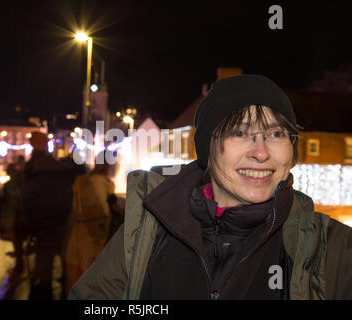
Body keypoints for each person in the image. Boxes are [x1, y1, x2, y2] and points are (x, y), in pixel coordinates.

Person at [69, 74, 352, 300]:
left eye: (277, 133)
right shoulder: (148, 229)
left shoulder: (331, 248)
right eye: (239, 132)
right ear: (208, 147)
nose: (261, 152)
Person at [22, 132, 82, 300]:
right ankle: (65, 288)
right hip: (61, 217)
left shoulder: (33, 167)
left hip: (41, 219)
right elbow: (79, 170)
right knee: (64, 253)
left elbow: (27, 196)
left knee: (45, 255)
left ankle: (43, 289)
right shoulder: (58, 167)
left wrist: (29, 220)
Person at [63, 151, 118, 297]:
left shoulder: (83, 181)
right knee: (91, 270)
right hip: (94, 232)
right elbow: (103, 211)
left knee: (76, 268)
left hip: (78, 229)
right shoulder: (102, 183)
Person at [0, 163, 27, 278]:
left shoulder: (9, 186)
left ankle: (19, 267)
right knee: (18, 244)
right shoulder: (22, 185)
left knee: (17, 244)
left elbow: (8, 204)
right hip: (21, 218)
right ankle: (20, 265)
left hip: (15, 219)